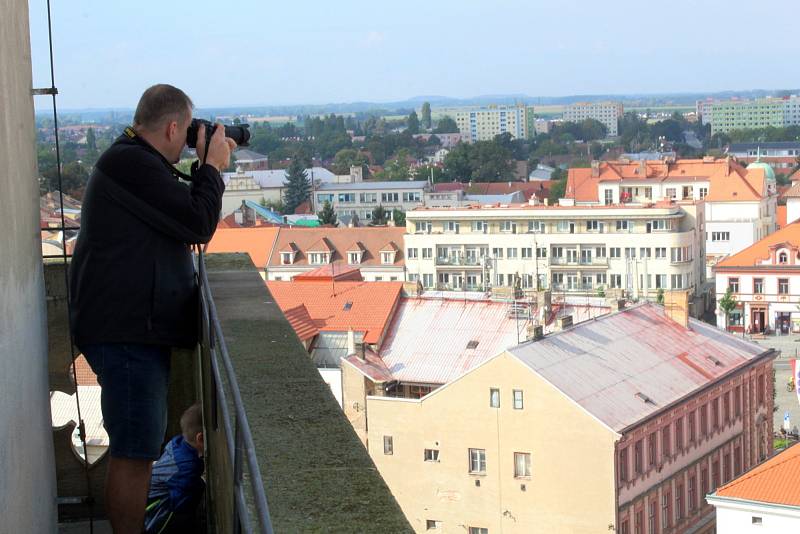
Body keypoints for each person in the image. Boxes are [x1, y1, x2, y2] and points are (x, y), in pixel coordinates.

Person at [69, 84, 235, 534]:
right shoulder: (131, 164)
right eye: (187, 134)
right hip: (125, 334)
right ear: (174, 126)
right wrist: (213, 166)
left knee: (138, 447)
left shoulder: (133, 162)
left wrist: (201, 166)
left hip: (131, 328)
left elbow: (180, 217)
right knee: (135, 452)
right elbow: (198, 223)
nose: (187, 143)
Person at [144, 403, 205, 533]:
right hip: (152, 510)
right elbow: (180, 504)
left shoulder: (177, 442)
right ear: (200, 439)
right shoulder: (188, 467)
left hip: (145, 496)